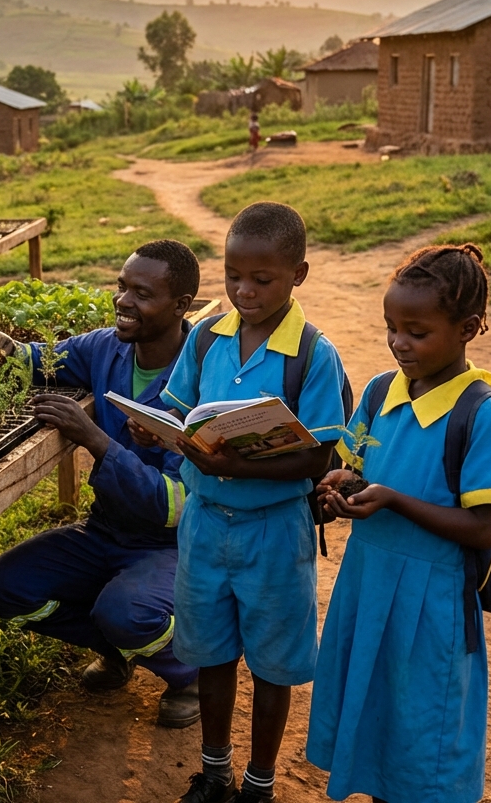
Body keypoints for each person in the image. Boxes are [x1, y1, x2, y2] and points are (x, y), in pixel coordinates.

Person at [307, 245, 491, 803]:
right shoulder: (379, 393)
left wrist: (394, 500)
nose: (399, 343)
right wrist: (336, 488)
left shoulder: (482, 415)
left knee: (422, 738)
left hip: (432, 605)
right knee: (377, 723)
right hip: (368, 585)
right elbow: (349, 467)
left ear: (468, 329)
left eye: (416, 332)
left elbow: (483, 529)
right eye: (391, 328)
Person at [160, 202, 347, 803]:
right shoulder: (207, 337)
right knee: (210, 655)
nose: (244, 291)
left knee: (273, 664)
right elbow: (181, 409)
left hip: (275, 532)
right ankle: (214, 773)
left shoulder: (313, 354)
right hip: (206, 525)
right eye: (232, 276)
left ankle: (258, 785)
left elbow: (320, 456)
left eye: (261, 280)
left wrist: (235, 463)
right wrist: (160, 429)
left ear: (299, 275)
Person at [0, 240, 203, 728]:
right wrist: (4, 348)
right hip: (105, 531)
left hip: (170, 544)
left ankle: (188, 670)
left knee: (127, 612)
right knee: (3, 587)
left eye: (142, 293)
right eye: (122, 287)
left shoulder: (202, 378)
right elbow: (42, 361)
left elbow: (176, 505)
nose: (123, 301)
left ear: (181, 305)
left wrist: (95, 440)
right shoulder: (106, 348)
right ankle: (116, 648)